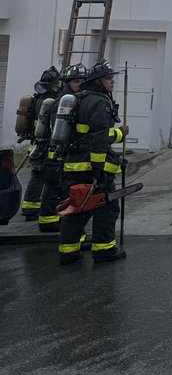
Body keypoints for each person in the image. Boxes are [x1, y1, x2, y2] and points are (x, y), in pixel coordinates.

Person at [57, 60, 128, 265]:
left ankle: (68, 251)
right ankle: (104, 250)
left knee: (77, 209)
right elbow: (99, 137)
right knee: (106, 208)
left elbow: (85, 134)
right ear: (98, 82)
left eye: (112, 79)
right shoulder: (99, 102)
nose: (112, 82)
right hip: (92, 167)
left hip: (74, 164)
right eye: (108, 79)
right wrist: (120, 134)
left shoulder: (80, 99)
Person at [35, 63, 88, 234]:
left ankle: (49, 219)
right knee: (54, 186)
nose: (79, 84)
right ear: (67, 82)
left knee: (55, 187)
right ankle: (48, 221)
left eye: (82, 81)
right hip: (58, 152)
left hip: (59, 151)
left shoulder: (70, 98)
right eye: (76, 81)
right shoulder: (65, 101)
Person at [20, 67, 62, 221]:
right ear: (54, 85)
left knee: (37, 175)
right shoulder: (50, 102)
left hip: (36, 145)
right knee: (43, 176)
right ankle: (32, 209)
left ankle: (30, 207)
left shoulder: (37, 98)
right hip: (45, 145)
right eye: (57, 84)